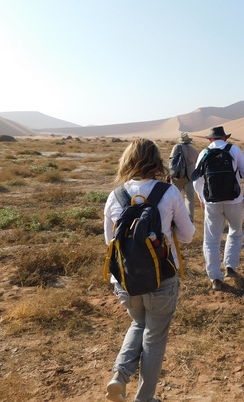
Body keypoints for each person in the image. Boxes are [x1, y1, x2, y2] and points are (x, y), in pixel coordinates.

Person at [103, 138, 195, 402]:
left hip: (125, 280)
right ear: (156, 161)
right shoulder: (169, 192)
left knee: (138, 323)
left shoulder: (115, 196)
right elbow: (187, 236)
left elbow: (109, 242)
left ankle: (119, 377)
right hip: (162, 280)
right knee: (153, 338)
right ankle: (144, 399)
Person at [191, 126, 244, 291]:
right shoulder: (234, 150)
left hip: (212, 202)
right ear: (225, 138)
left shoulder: (204, 153)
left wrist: (202, 198)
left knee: (211, 240)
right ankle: (230, 267)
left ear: (210, 139)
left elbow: (196, 181)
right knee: (235, 231)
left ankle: (215, 278)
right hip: (234, 199)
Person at [168, 132, 200, 222]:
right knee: (189, 197)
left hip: (178, 176)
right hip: (190, 176)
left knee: (173, 196)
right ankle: (190, 219)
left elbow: (171, 162)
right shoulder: (193, 150)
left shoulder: (176, 147)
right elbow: (198, 161)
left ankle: (173, 217)